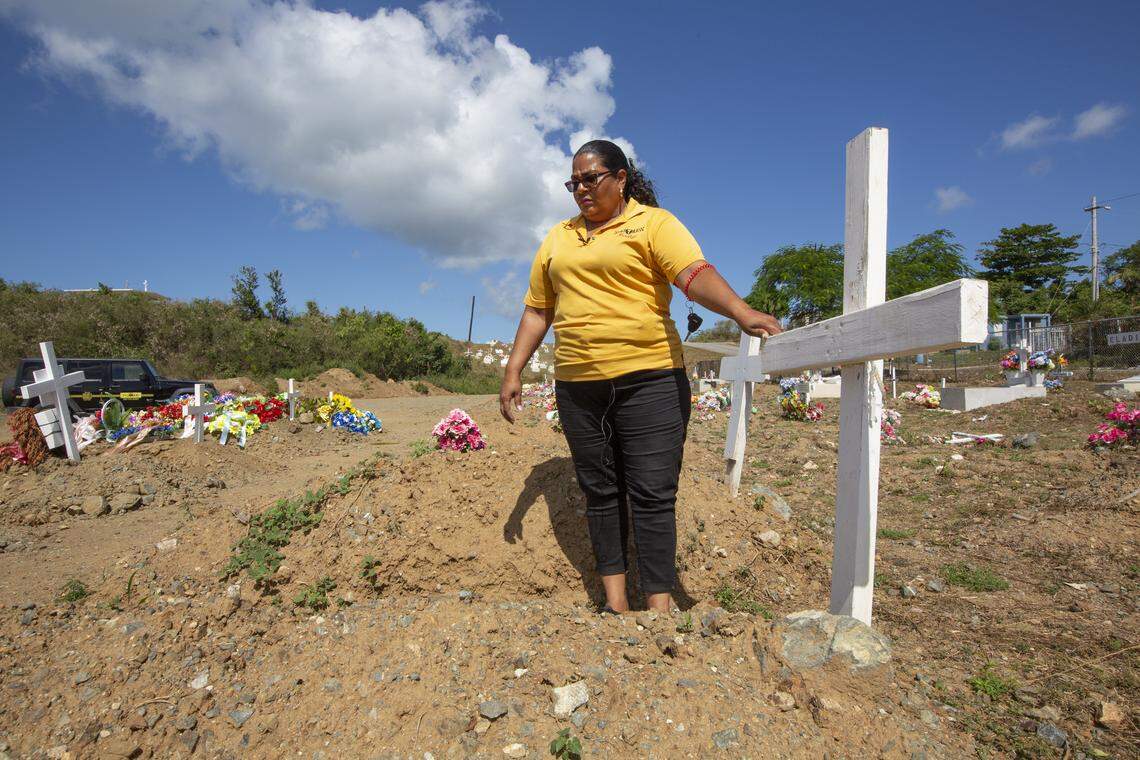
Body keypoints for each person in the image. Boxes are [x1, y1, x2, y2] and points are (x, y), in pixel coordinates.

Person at [500, 139, 781, 614]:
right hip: (578, 388)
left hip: (650, 382)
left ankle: (659, 609)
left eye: (592, 178)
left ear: (621, 177)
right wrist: (513, 369)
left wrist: (739, 311)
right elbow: (537, 310)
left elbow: (693, 273)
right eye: (574, 183)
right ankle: (615, 606)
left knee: (652, 494)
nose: (582, 190)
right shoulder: (558, 237)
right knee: (601, 493)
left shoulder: (653, 224)